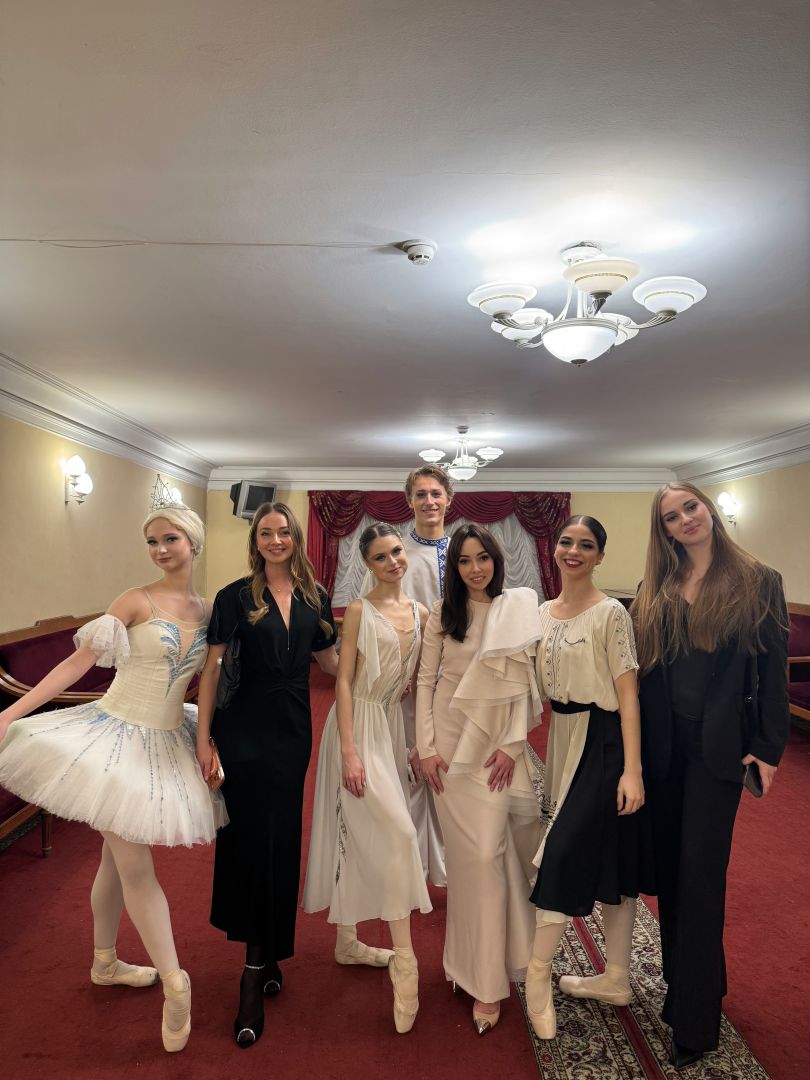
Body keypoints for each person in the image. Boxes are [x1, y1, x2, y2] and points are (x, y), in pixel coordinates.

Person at [0, 506, 224, 1054]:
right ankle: (175, 981)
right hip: (114, 738)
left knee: (114, 859)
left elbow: (210, 681)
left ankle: (105, 963)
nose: (160, 550)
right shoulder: (135, 600)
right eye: (151, 541)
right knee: (135, 866)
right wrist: (10, 714)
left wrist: (207, 738)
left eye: (170, 539)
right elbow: (76, 665)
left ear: (193, 543)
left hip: (168, 739)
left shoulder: (211, 610)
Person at [630, 483, 789, 1069]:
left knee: (700, 876)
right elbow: (643, 672)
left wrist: (768, 748)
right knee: (673, 874)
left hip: (717, 753)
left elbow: (772, 669)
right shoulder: (657, 585)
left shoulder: (758, 581)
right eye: (671, 517)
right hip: (663, 749)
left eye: (690, 507)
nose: (685, 520)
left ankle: (694, 1021)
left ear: (709, 508)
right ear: (665, 531)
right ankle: (690, 987)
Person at [195, 501, 339, 1049]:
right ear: (255, 541)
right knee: (251, 841)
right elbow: (212, 669)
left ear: (296, 538)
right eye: (265, 533)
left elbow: (331, 662)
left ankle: (272, 950)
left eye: (283, 532)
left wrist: (393, 660)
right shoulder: (233, 596)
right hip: (243, 731)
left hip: (292, 731)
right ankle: (254, 971)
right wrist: (203, 737)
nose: (275, 540)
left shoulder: (315, 595)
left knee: (280, 838)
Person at [524, 515, 651, 1042]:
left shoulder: (611, 614)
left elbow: (628, 697)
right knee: (612, 859)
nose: (573, 551)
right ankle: (616, 978)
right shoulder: (539, 613)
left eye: (586, 545)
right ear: (554, 548)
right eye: (566, 542)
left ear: (600, 555)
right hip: (562, 737)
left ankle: (536, 978)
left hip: (603, 743)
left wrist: (633, 770)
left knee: (560, 853)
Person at [304, 523, 432, 1033]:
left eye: (397, 551)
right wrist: (349, 751)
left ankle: (347, 942)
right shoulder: (358, 610)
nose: (393, 561)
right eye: (381, 557)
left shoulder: (422, 613)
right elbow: (342, 681)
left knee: (362, 831)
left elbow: (421, 682)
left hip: (390, 729)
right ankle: (406, 962)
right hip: (356, 729)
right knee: (399, 835)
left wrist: (416, 741)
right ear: (368, 564)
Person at [416, 524, 542, 1035]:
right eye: (465, 560)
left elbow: (526, 685)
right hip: (449, 755)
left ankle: (490, 971)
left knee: (493, 856)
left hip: (495, 752)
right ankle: (473, 972)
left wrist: (512, 746)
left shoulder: (517, 607)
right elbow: (425, 683)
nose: (475, 568)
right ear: (454, 568)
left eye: (483, 558)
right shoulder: (443, 616)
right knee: (471, 866)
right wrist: (426, 749)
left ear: (496, 560)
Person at [362, 465, 452, 887]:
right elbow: (374, 616)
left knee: (450, 767)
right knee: (412, 766)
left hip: (456, 680)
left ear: (449, 498)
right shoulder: (396, 552)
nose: (429, 501)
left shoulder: (464, 551)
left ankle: (450, 863)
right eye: (421, 494)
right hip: (410, 681)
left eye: (436, 493)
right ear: (409, 500)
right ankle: (412, 866)